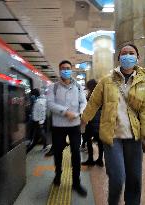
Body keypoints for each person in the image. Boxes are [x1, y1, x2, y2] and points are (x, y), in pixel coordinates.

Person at [81, 43, 145, 205]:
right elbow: (94, 102)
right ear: (118, 58)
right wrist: (84, 119)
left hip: (134, 138)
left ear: (137, 57)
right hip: (112, 137)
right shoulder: (106, 81)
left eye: (131, 53)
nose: (128, 56)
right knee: (117, 178)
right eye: (124, 53)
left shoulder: (143, 82)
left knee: (134, 179)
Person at [47, 60, 87, 197]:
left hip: (74, 125)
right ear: (59, 70)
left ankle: (76, 182)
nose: (65, 70)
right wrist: (65, 112)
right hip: (58, 126)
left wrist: (81, 112)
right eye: (63, 68)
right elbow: (50, 104)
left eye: (68, 68)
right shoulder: (53, 87)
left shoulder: (78, 87)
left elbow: (84, 102)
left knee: (76, 153)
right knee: (58, 152)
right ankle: (58, 175)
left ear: (72, 70)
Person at [81, 79, 104, 167]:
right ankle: (100, 160)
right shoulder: (102, 93)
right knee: (100, 142)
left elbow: (88, 108)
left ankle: (90, 159)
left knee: (88, 139)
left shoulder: (91, 95)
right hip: (100, 121)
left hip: (91, 121)